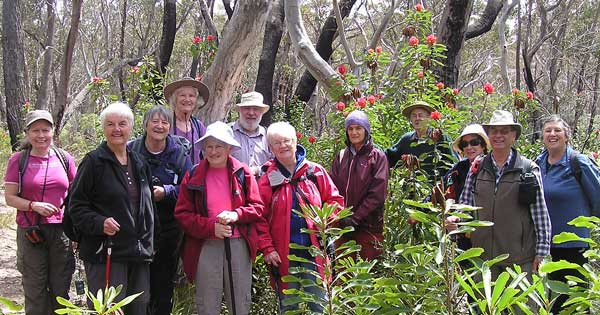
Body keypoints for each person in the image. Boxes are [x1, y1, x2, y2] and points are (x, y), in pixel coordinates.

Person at [68, 102, 157, 315]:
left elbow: (148, 206)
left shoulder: (139, 162)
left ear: (132, 128)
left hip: (138, 252)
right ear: (103, 128)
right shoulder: (93, 162)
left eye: (122, 123)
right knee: (110, 310)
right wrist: (100, 223)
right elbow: (76, 206)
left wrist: (150, 243)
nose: (116, 129)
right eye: (110, 124)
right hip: (106, 252)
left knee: (138, 308)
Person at [174, 121, 264, 315]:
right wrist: (210, 227)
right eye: (209, 146)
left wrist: (236, 214)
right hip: (205, 244)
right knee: (207, 303)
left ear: (229, 148)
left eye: (219, 146)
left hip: (239, 243)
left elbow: (258, 208)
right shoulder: (194, 174)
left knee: (240, 301)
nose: (213, 151)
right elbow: (183, 214)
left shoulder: (243, 172)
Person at [256, 122, 344, 313]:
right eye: (276, 143)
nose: (283, 146)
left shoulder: (314, 171)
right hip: (283, 254)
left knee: (319, 304)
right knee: (289, 307)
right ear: (270, 148)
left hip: (315, 251)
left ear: (296, 142)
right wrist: (268, 249)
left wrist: (325, 220)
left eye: (287, 141)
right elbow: (259, 217)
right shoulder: (267, 178)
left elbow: (335, 200)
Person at [459, 110, 551, 280]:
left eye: (504, 131)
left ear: (514, 136)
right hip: (483, 260)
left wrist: (542, 252)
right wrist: (455, 222)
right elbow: (464, 205)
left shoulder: (528, 169)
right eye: (494, 131)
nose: (498, 135)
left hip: (519, 260)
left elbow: (540, 213)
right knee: (485, 307)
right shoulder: (477, 167)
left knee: (523, 307)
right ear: (488, 135)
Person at [4, 110, 76, 315]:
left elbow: (76, 195)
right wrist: (33, 205)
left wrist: (77, 231)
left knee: (61, 289)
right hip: (31, 231)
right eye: (35, 130)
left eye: (46, 130)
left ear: (53, 131)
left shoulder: (65, 159)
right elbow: (10, 197)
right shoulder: (18, 160)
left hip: (61, 232)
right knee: (35, 290)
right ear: (27, 133)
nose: (41, 135)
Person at [127, 106, 192, 315]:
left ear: (169, 127)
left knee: (163, 283)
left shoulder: (179, 153)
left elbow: (189, 186)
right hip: (135, 228)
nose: (159, 126)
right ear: (145, 125)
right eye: (154, 121)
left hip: (168, 229)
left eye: (164, 122)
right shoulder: (131, 151)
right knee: (136, 282)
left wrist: (167, 191)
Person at [534, 115, 600, 313]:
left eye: (557, 130)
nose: (552, 134)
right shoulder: (538, 164)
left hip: (575, 246)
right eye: (548, 131)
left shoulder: (578, 163)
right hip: (545, 247)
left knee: (575, 303)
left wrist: (588, 228)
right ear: (542, 136)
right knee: (551, 303)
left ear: (566, 136)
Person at [330, 110, 389, 260]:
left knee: (367, 274)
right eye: (350, 129)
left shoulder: (377, 157)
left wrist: (356, 218)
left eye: (358, 128)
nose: (354, 132)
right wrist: (339, 216)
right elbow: (332, 188)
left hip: (368, 227)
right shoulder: (341, 156)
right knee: (345, 274)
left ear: (366, 131)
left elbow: (377, 194)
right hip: (343, 226)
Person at [385, 100, 457, 185]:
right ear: (410, 119)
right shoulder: (407, 139)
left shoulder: (441, 137)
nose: (417, 118)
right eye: (414, 116)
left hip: (437, 191)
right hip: (413, 191)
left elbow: (454, 165)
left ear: (429, 118)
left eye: (420, 115)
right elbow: (388, 157)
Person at [164, 77, 209, 164]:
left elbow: (210, 151)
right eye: (182, 95)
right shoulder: (166, 123)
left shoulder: (198, 126)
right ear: (175, 99)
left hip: (195, 176)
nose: (187, 99)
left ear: (196, 100)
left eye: (191, 96)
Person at [230, 91, 272, 175]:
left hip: (261, 187)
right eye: (247, 108)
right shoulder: (227, 132)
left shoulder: (269, 136)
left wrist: (257, 170)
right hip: (232, 186)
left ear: (262, 112)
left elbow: (276, 164)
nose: (251, 113)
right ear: (240, 110)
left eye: (255, 109)